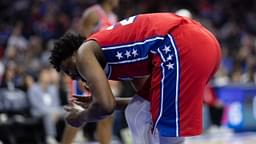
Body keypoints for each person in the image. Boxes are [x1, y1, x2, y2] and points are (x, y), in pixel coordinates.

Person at [49, 13, 221, 144]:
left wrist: (81, 117)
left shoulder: (83, 52)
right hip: (204, 44)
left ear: (74, 53)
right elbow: (147, 103)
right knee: (138, 112)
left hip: (179, 44)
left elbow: (105, 107)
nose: (72, 75)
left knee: (164, 135)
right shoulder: (120, 58)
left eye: (68, 68)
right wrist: (104, 103)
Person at [61, 0, 120, 144]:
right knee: (78, 116)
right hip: (87, 71)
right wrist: (81, 75)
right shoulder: (93, 14)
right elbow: (79, 45)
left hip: (103, 73)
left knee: (107, 116)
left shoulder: (114, 17)